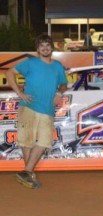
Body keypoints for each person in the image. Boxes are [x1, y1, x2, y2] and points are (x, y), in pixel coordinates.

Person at [5, 34, 68, 188]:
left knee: (45, 141)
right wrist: (19, 93)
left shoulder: (57, 66)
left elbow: (64, 84)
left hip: (47, 109)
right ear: (37, 49)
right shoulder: (30, 62)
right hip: (28, 106)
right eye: (41, 46)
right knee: (26, 142)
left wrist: (59, 93)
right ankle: (29, 175)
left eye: (47, 45)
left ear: (52, 48)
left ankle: (26, 171)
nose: (45, 48)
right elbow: (9, 73)